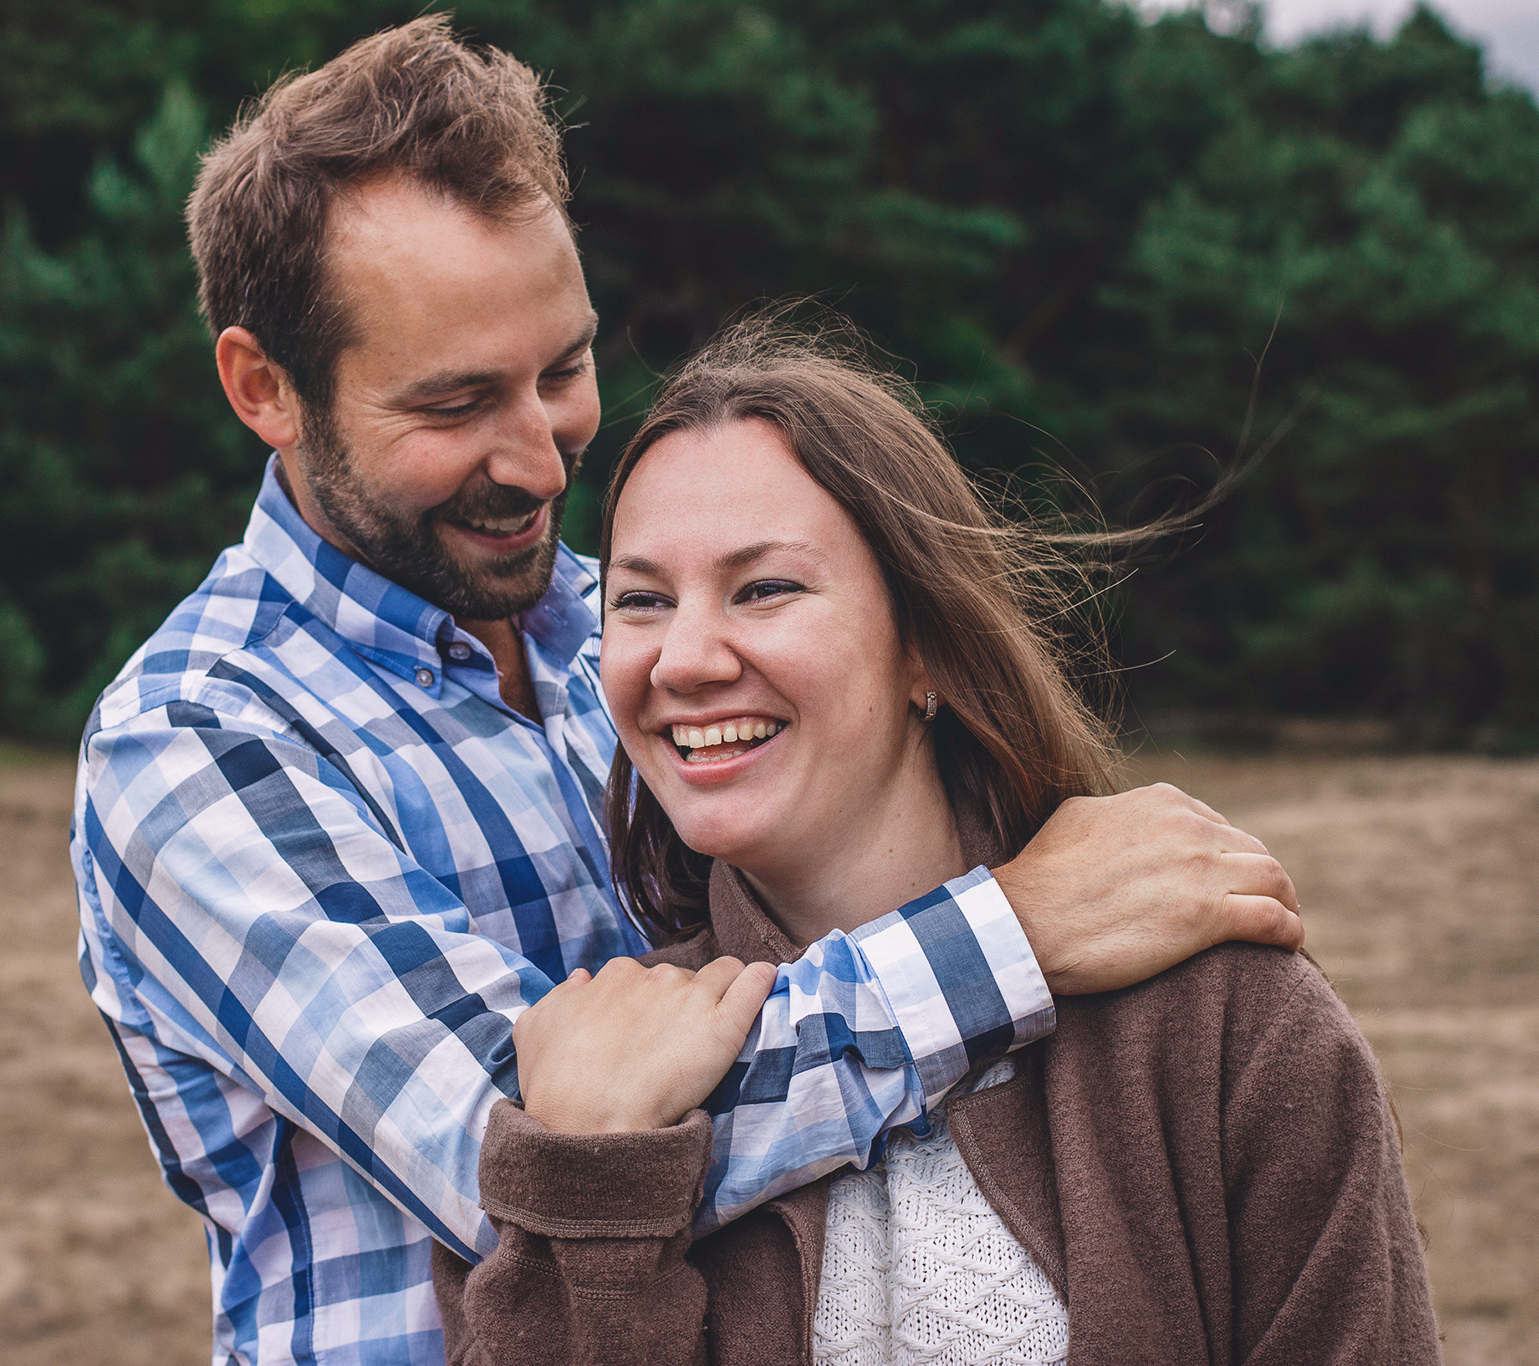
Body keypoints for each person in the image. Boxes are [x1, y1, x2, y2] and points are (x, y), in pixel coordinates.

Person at [70, 19, 1303, 1365]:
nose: (540, 459)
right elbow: (526, 1163)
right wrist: (1006, 934)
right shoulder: (197, 742)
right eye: (457, 402)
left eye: (563, 368)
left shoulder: (642, 635)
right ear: (266, 388)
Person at [432, 320, 1439, 1365]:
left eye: (763, 588)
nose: (682, 658)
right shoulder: (577, 1087)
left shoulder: (1224, 1026)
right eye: (640, 600)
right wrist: (590, 1194)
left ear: (926, 648)